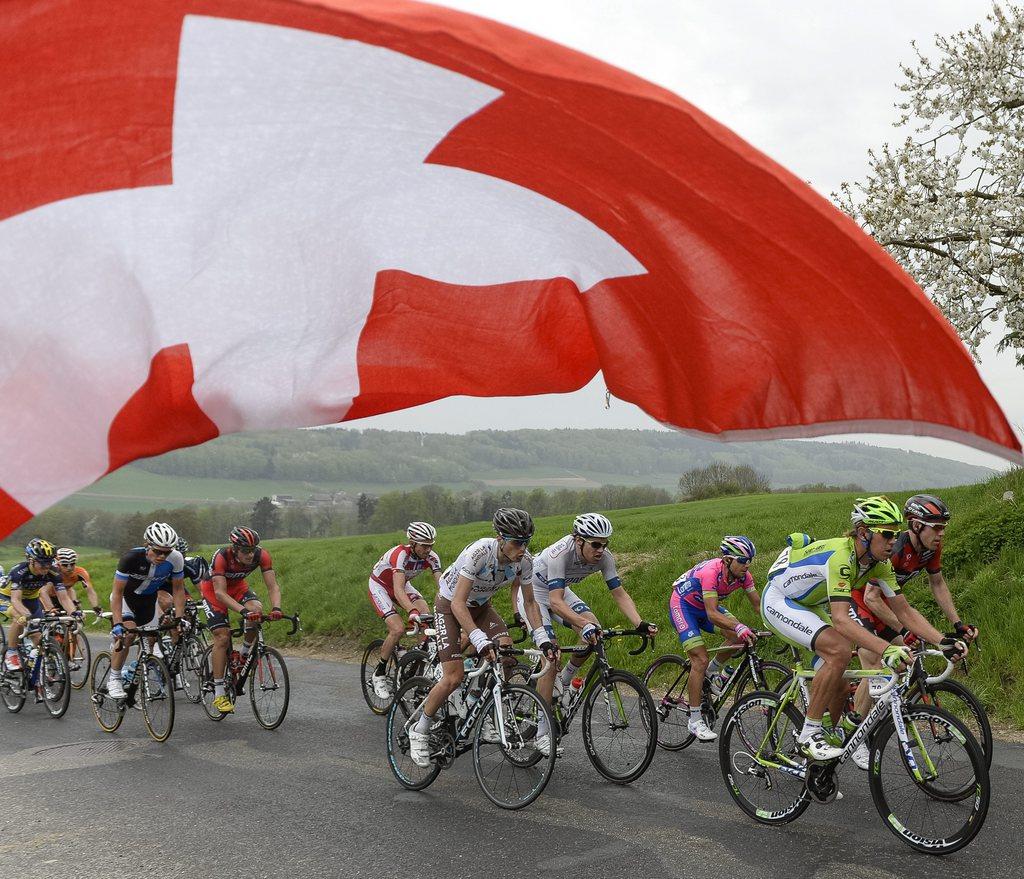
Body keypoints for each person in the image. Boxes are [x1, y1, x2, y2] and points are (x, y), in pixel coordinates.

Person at [761, 496, 964, 761]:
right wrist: (888, 648)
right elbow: (842, 620)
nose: (894, 541)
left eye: (896, 534)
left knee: (843, 682)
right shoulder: (843, 557)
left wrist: (943, 640)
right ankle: (808, 735)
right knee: (839, 650)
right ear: (864, 533)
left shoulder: (880, 564)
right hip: (780, 600)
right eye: (887, 535)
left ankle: (826, 748)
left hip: (809, 604)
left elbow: (904, 611)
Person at [408, 508, 554, 768]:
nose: (522, 548)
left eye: (526, 542)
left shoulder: (525, 561)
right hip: (450, 605)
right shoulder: (479, 553)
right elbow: (458, 604)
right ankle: (420, 728)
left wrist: (541, 637)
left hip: (482, 606)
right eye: (517, 542)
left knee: (507, 656)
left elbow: (530, 603)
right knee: (453, 676)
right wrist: (477, 637)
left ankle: (482, 710)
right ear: (500, 538)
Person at [844, 493, 972, 768]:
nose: (940, 534)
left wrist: (957, 625)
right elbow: (870, 598)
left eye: (943, 528)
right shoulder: (895, 548)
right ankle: (853, 732)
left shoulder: (930, 547)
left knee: (903, 660)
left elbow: (937, 584)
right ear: (916, 526)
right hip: (859, 600)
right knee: (876, 661)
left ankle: (872, 705)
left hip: (884, 605)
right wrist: (903, 628)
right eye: (935, 528)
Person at [517, 512, 656, 756]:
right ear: (578, 540)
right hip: (535, 595)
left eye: (605, 544)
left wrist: (639, 622)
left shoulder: (605, 558)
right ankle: (541, 733)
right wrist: (582, 623)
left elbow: (619, 593)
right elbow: (555, 602)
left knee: (594, 628)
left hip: (559, 591)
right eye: (595, 544)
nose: (601, 549)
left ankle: (568, 680)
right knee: (550, 656)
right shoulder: (560, 553)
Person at [668, 536, 760, 741]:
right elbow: (712, 614)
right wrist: (738, 625)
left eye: (750, 561)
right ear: (728, 560)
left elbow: (758, 605)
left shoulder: (744, 576)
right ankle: (694, 720)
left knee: (742, 638)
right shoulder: (711, 572)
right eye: (743, 561)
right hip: (683, 607)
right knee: (699, 659)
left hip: (704, 606)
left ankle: (711, 671)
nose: (747, 565)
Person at [201, 526, 283, 715]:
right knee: (222, 636)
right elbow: (220, 594)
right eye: (245, 551)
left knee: (257, 610)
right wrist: (243, 611)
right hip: (214, 591)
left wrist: (277, 608)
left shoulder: (262, 556)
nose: (250, 555)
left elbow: (272, 586)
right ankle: (219, 694)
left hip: (237, 587)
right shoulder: (221, 556)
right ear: (234, 548)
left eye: (253, 550)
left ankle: (244, 654)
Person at [106, 522, 187, 698]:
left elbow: (178, 590)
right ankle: (114, 678)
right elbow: (117, 593)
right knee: (128, 635)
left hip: (148, 601)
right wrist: (118, 623)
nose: (162, 556)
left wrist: (179, 619)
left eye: (166, 552)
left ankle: (136, 682)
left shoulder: (176, 558)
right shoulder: (130, 558)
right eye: (157, 551)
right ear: (147, 545)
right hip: (126, 598)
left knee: (150, 640)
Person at [368, 522, 440, 699]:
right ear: (413, 542)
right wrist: (411, 611)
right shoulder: (400, 554)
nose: (428, 549)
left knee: (430, 620)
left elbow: (443, 587)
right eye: (424, 545)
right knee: (398, 628)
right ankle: (379, 673)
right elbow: (398, 590)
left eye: (431, 544)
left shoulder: (432, 557)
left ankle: (416, 656)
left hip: (402, 585)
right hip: (381, 586)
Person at [1, 539, 62, 671]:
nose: (46, 566)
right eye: (42, 563)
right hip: (7, 598)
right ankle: (11, 653)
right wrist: (26, 615)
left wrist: (74, 613)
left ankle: (39, 670)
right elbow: (15, 600)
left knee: (37, 636)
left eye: (49, 562)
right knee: (19, 618)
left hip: (31, 600)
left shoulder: (53, 572)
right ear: (31, 560)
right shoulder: (19, 571)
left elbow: (64, 597)